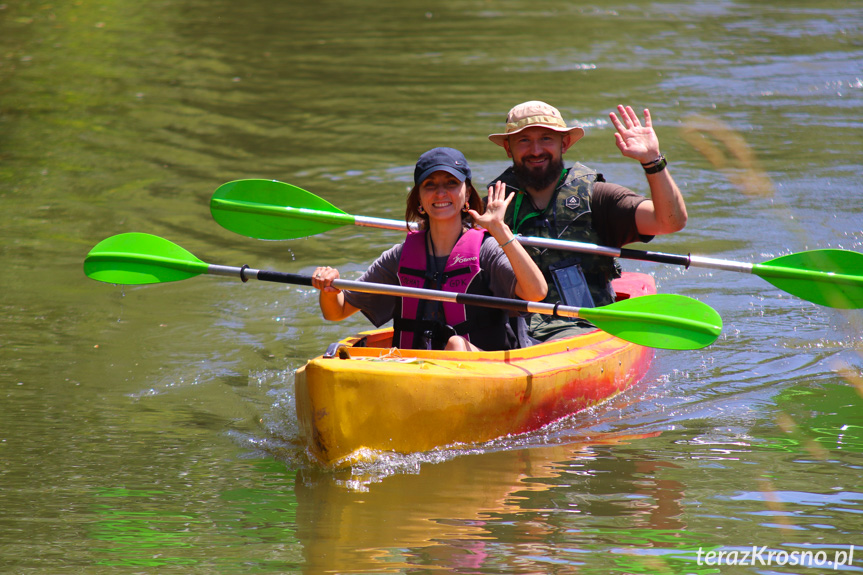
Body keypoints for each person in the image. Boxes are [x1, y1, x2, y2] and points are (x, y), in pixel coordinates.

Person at [487, 100, 688, 342]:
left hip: (584, 328)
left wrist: (652, 161)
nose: (536, 150)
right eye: (524, 140)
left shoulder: (597, 196)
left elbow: (670, 221)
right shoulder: (493, 203)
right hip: (516, 328)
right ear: (509, 149)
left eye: (546, 139)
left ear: (565, 143)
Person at [310, 147, 547, 352]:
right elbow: (337, 312)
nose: (440, 192)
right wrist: (329, 288)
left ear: (467, 195)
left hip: (484, 367)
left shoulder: (487, 250)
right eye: (429, 184)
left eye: (451, 183)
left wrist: (500, 229)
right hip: (420, 369)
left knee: (455, 345)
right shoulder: (400, 256)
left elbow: (537, 293)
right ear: (419, 200)